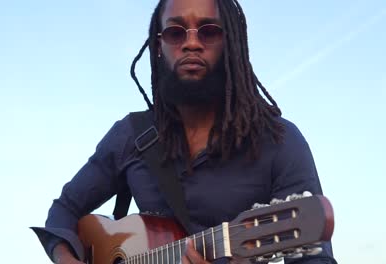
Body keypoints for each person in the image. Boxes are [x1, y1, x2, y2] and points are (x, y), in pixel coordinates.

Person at [32, 0, 337, 263]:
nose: (192, 43)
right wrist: (65, 257)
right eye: (176, 32)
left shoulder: (280, 142)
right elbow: (64, 210)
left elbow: (317, 260)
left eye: (209, 31)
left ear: (230, 43)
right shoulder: (130, 135)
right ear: (159, 46)